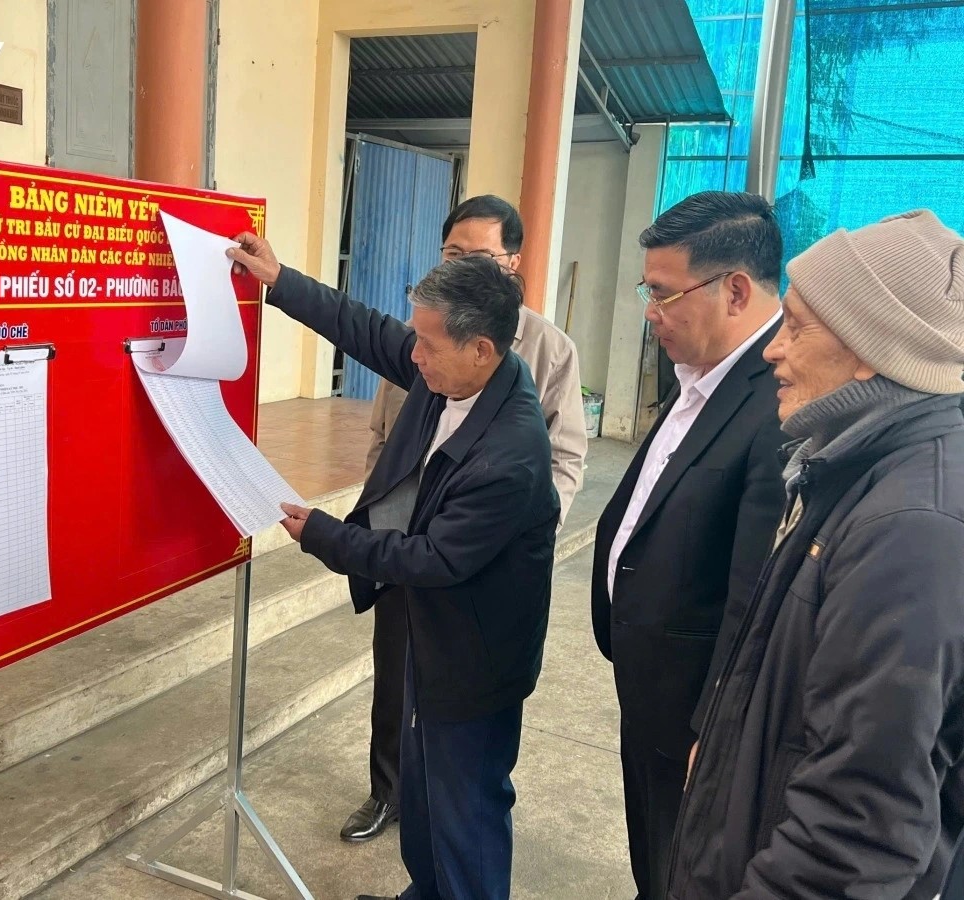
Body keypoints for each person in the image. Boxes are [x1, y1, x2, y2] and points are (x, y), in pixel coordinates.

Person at [227, 235, 558, 900]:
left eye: (427, 344)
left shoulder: (509, 454)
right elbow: (367, 330)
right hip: (434, 630)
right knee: (425, 796)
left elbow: (432, 557)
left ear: (481, 349)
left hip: (474, 658)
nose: (413, 355)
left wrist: (324, 535)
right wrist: (280, 280)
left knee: (466, 809)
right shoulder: (460, 374)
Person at [668, 209, 964, 900]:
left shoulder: (910, 530)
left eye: (797, 327)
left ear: (870, 348)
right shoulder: (857, 467)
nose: (773, 349)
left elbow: (854, 833)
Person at [343, 194, 587, 844]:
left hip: (476, 559)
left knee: (458, 714)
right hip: (404, 545)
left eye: (477, 255)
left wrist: (514, 534)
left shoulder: (547, 349)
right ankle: (388, 791)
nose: (460, 266)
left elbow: (564, 457)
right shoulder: (427, 334)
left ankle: (444, 816)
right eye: (452, 253)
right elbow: (387, 426)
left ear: (512, 263)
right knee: (395, 679)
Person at [590, 191, 789, 900]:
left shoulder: (776, 402)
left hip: (696, 715)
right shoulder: (702, 373)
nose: (651, 311)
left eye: (663, 293)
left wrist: (718, 728)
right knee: (654, 862)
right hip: (651, 686)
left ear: (734, 290)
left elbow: (754, 596)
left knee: (684, 872)